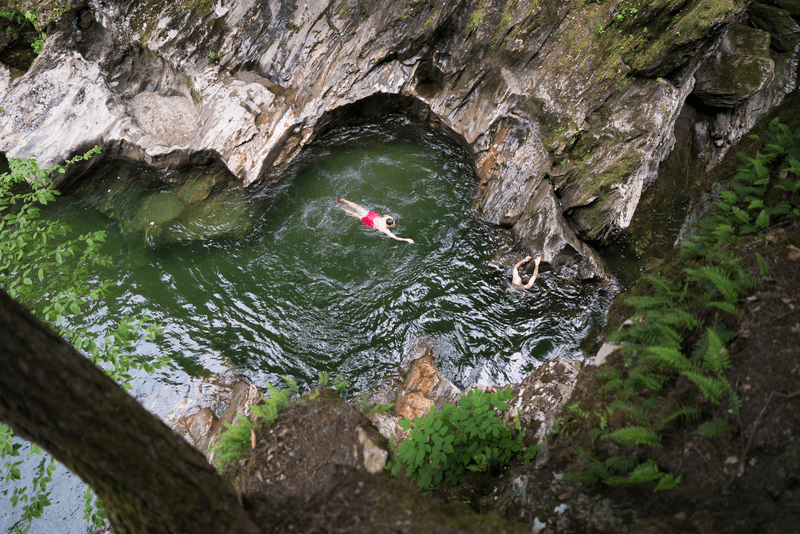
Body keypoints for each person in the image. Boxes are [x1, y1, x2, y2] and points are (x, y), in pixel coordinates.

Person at [335, 196, 415, 244]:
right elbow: (395, 237)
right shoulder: (385, 229)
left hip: (372, 215)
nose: (394, 224)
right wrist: (407, 239)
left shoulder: (388, 217)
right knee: (355, 214)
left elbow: (384, 215)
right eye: (393, 224)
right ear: (388, 225)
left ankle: (343, 200)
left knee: (358, 208)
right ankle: (340, 207)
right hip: (370, 222)